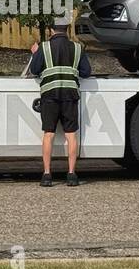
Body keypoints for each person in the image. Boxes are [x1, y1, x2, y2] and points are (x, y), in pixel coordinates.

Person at [28, 14, 92, 187]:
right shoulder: (78, 48)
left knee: (48, 134)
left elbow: (35, 70)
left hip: (50, 96)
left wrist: (35, 54)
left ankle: (47, 175)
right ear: (67, 30)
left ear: (50, 30)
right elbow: (86, 72)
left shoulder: (44, 48)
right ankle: (71, 174)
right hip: (70, 96)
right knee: (71, 135)